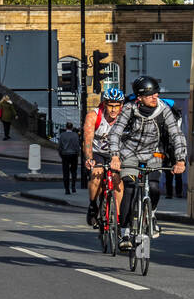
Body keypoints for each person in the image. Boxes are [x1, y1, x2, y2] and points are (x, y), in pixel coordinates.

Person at [108, 76, 187, 248]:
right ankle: (125, 233)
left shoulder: (163, 110)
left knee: (153, 188)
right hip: (129, 153)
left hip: (154, 154)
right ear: (140, 97)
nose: (155, 97)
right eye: (150, 94)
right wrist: (115, 156)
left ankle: (151, 213)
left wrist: (180, 159)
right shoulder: (129, 108)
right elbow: (115, 133)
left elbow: (176, 135)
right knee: (129, 189)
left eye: (156, 93)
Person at [84, 87, 127, 227]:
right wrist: (89, 158)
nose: (114, 110)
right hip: (98, 152)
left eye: (117, 106)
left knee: (118, 182)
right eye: (110, 105)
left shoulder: (125, 117)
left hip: (117, 154)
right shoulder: (94, 115)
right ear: (104, 104)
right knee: (97, 173)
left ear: (121, 105)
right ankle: (92, 206)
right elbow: (88, 139)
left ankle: (118, 217)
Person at [165, 106, 187, 199]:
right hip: (170, 149)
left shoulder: (173, 119)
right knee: (173, 174)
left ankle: (171, 193)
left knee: (172, 173)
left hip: (171, 149)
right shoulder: (177, 118)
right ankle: (176, 193)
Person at [58, 123, 81, 195]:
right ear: (72, 127)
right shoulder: (75, 135)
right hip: (74, 154)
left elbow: (60, 146)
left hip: (65, 154)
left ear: (66, 127)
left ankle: (67, 189)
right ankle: (73, 187)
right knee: (74, 171)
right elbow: (77, 145)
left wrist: (61, 154)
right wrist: (77, 153)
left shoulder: (62, 135)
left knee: (66, 172)